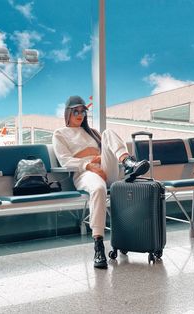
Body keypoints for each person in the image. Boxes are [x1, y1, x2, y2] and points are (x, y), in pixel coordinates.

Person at [53, 96, 150, 269]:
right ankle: (98, 245)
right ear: (68, 112)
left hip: (105, 167)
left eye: (83, 111)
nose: (80, 114)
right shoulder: (60, 133)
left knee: (108, 133)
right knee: (98, 188)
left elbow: (105, 154)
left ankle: (128, 162)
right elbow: (65, 161)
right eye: (76, 110)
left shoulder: (93, 133)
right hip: (85, 173)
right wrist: (89, 164)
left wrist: (98, 160)